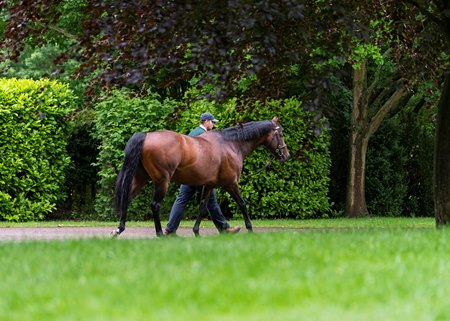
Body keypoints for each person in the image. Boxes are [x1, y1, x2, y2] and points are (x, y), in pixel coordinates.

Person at [164, 112, 241, 236]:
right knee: (210, 201)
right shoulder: (204, 134)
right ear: (206, 121)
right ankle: (224, 229)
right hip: (199, 174)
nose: (213, 125)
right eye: (212, 122)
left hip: (189, 173)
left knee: (183, 199)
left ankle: (170, 229)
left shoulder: (194, 132)